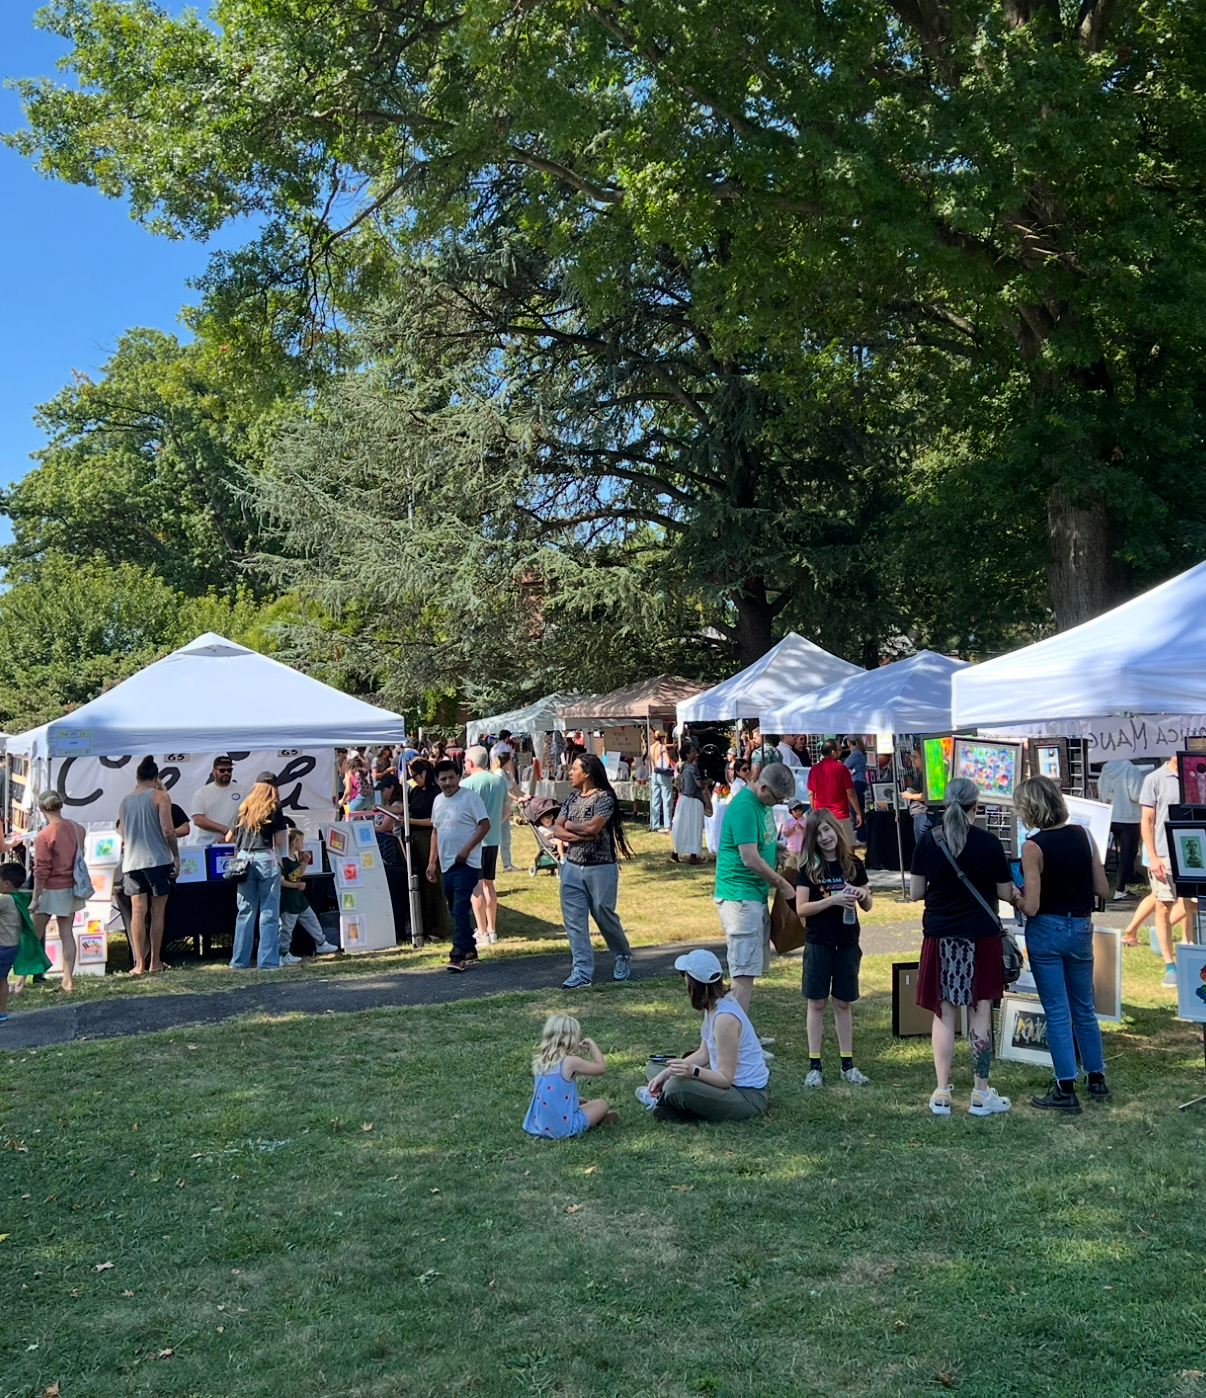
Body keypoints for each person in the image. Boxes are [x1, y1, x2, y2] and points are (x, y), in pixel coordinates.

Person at [910, 777, 1017, 1117]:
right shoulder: (989, 843)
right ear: (976, 806)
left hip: (940, 934)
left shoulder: (927, 841)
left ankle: (942, 1092)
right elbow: (1005, 892)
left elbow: (916, 892)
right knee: (980, 1011)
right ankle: (980, 1093)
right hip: (981, 934)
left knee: (944, 1013)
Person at [1015, 776, 1111, 1114]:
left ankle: (1065, 1087)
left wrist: (1015, 897)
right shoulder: (1084, 835)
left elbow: (1032, 906)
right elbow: (1103, 888)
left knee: (1057, 1010)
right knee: (1084, 1007)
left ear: (1030, 808)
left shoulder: (1033, 846)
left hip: (1047, 929)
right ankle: (1096, 1078)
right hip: (1081, 925)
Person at [635, 948, 770, 1122]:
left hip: (746, 1096)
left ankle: (665, 1100)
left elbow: (725, 1079)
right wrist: (667, 1072)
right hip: (722, 1084)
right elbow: (703, 1054)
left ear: (693, 984)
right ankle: (672, 1101)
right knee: (655, 1066)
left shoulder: (724, 1020)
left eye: (684, 975)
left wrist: (692, 1071)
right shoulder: (714, 1005)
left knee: (676, 1085)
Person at [795, 809, 873, 1087]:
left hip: (848, 941)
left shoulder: (853, 864)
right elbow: (801, 908)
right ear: (812, 839)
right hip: (818, 942)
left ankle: (847, 1065)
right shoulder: (808, 868)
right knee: (817, 1002)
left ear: (836, 830)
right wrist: (832, 900)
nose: (824, 837)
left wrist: (863, 894)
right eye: (817, 834)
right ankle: (814, 1065)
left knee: (843, 1002)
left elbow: (868, 903)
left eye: (827, 830)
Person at [713, 761, 798, 1012]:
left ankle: (739, 1027)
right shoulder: (745, 807)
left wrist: (775, 849)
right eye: (777, 798)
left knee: (750, 968)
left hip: (754, 895)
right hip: (739, 897)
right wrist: (781, 883)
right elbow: (749, 858)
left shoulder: (762, 804)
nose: (778, 804)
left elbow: (759, 841)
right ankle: (734, 1031)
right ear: (763, 788)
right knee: (743, 972)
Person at [552, 754, 635, 989]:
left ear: (587, 772)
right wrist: (577, 834)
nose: (570, 773)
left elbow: (593, 827)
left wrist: (571, 826)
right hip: (572, 866)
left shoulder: (604, 798)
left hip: (601, 868)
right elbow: (557, 829)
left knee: (603, 913)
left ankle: (622, 954)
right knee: (574, 921)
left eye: (574, 769)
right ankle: (581, 972)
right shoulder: (571, 798)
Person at [117, 758, 179, 976]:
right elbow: (168, 830)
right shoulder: (160, 796)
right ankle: (155, 961)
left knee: (137, 912)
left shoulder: (125, 801)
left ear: (137, 777)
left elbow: (122, 832)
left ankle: (138, 964)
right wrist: (176, 855)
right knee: (157, 912)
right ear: (156, 777)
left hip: (132, 862)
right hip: (157, 860)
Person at [427, 760, 491, 972]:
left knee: (460, 908)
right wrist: (432, 861)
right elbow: (435, 831)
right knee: (455, 908)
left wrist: (467, 849)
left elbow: (485, 825)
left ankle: (457, 955)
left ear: (458, 776)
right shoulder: (437, 801)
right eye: (443, 779)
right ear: (437, 781)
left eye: (451, 778)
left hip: (467, 863)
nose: (448, 783)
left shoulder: (470, 798)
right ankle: (470, 948)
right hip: (446, 864)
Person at [1140, 755, 1197, 987]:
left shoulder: (1197, 774)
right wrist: (1153, 857)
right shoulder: (1154, 779)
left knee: (1192, 904)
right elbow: (1147, 820)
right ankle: (1170, 965)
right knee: (1164, 906)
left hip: (1194, 852)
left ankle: (1190, 953)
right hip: (1164, 854)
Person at [228, 774, 289, 970]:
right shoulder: (274, 807)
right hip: (265, 858)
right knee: (269, 911)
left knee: (245, 911)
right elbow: (280, 841)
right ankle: (267, 960)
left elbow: (229, 837)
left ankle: (239, 960)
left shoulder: (244, 807)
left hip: (244, 860)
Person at [31, 789, 90, 992]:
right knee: (67, 932)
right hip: (72, 886)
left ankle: (20, 981)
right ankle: (68, 980)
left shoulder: (44, 835)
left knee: (34, 935)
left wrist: (35, 897)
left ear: (41, 809)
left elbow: (41, 870)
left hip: (50, 889)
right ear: (60, 805)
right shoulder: (78, 828)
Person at [522, 1013, 618, 1137]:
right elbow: (600, 1068)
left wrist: (575, 1100)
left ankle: (594, 1116)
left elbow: (550, 1094)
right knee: (601, 1104)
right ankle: (597, 1118)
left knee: (582, 1102)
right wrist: (592, 1045)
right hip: (563, 1128)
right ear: (570, 1039)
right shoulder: (570, 1061)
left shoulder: (541, 1061)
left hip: (539, 1125)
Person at [462, 745, 508, 945]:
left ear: (471, 762)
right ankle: (492, 929)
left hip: (474, 841)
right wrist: (494, 824)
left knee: (476, 886)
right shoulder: (498, 781)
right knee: (489, 884)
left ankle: (481, 932)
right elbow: (507, 810)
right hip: (493, 839)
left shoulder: (466, 784)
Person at [278, 827, 340, 962]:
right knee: (287, 928)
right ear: (293, 842)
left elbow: (296, 875)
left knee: (311, 919)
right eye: (301, 841)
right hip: (288, 900)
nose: (303, 844)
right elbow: (281, 881)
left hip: (299, 898)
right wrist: (296, 886)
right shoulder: (283, 860)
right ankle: (283, 953)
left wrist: (304, 863)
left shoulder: (294, 857)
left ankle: (321, 943)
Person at [407, 759, 453, 941]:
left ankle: (437, 928)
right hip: (416, 840)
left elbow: (436, 821)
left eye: (415, 776)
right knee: (420, 884)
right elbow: (407, 808)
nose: (413, 780)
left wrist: (410, 821)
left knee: (433, 883)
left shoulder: (436, 794)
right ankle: (424, 925)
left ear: (424, 773)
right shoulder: (415, 791)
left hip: (431, 838)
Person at [1097, 758, 1144, 900]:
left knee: (1103, 851)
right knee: (1128, 854)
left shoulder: (1106, 768)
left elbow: (1101, 790)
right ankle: (1120, 889)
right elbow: (1136, 795)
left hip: (1110, 815)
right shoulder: (1131, 769)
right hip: (1128, 817)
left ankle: (1101, 883)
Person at [807, 740, 862, 842]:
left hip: (822, 814)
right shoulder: (841, 769)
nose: (841, 752)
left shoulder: (813, 770)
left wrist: (814, 811)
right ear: (833, 752)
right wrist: (858, 812)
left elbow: (811, 793)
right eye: (840, 750)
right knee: (847, 845)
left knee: (826, 845)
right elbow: (850, 792)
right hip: (840, 814)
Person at [190, 756, 246, 848]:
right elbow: (198, 820)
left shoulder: (243, 790)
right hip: (208, 844)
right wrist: (224, 829)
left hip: (236, 844)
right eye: (222, 770)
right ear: (214, 771)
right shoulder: (202, 793)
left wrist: (232, 834)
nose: (226, 773)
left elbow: (248, 815)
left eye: (229, 770)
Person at [0, 861, 30, 1022]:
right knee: (2, 979)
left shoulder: (5, 899)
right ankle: (2, 1012)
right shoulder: (18, 898)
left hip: (2, 946)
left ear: (6, 883)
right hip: (11, 946)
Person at [670, 739, 708, 864]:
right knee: (695, 827)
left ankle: (676, 851)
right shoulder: (692, 768)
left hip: (683, 799)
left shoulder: (683, 767)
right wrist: (708, 782)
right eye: (692, 752)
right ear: (687, 754)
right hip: (693, 800)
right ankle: (693, 856)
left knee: (682, 826)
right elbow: (699, 783)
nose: (695, 753)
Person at [494, 749, 522, 872]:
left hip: (506, 809)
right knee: (497, 837)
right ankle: (496, 864)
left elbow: (515, 789)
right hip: (498, 809)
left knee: (506, 837)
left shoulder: (508, 774)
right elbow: (504, 791)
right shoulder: (498, 774)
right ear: (508, 761)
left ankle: (507, 864)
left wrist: (526, 796)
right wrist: (516, 799)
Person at [900, 745, 929, 841]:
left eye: (915, 757)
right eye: (911, 757)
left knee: (922, 844)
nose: (912, 760)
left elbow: (926, 796)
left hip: (922, 814)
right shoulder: (922, 773)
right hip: (922, 814)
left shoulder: (924, 774)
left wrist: (909, 796)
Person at [649, 730, 676, 832]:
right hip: (663, 774)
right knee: (666, 799)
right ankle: (667, 824)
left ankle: (654, 824)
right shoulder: (662, 747)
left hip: (654, 774)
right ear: (662, 737)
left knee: (655, 799)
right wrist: (675, 766)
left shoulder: (651, 747)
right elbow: (667, 761)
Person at [844, 737, 869, 838]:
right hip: (860, 781)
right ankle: (861, 833)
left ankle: (860, 834)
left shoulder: (855, 753)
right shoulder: (860, 753)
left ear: (849, 742)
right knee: (858, 807)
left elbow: (844, 766)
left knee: (855, 808)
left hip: (856, 782)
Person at [777, 799, 808, 868]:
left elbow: (808, 834)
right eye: (795, 811)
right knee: (788, 866)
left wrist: (802, 828)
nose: (798, 812)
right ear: (791, 811)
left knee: (801, 867)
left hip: (801, 849)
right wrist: (791, 830)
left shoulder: (805, 822)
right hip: (790, 849)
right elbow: (786, 835)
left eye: (800, 810)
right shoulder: (788, 822)